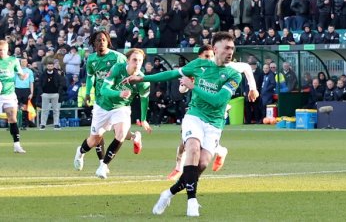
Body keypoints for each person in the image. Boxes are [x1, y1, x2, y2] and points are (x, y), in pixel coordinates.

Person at [127, 32, 243, 218]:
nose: (230, 51)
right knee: (193, 149)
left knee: (202, 164)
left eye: (232, 48)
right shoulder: (199, 64)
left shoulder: (234, 75)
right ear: (215, 49)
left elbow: (218, 101)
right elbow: (172, 73)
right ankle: (192, 201)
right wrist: (143, 78)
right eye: (227, 48)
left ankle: (168, 193)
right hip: (195, 115)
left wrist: (192, 86)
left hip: (214, 123)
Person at [165, 46, 259, 179]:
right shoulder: (197, 68)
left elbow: (246, 68)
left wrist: (252, 88)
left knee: (202, 145)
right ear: (200, 58)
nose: (210, 59)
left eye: (211, 56)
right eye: (206, 57)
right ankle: (179, 168)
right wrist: (188, 84)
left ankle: (213, 155)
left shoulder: (227, 66)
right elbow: (182, 90)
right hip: (198, 111)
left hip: (217, 110)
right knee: (186, 142)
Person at [75, 48, 152, 178]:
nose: (137, 63)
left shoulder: (142, 80)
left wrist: (143, 119)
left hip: (121, 108)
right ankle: (80, 152)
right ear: (128, 60)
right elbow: (104, 90)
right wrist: (119, 93)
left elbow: (145, 99)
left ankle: (103, 167)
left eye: (140, 60)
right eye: (134, 60)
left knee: (120, 134)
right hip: (103, 106)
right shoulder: (117, 68)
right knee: (94, 140)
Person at [84, 32, 127, 160]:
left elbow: (129, 70)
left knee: (121, 132)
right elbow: (90, 77)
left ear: (108, 41)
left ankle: (104, 164)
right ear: (94, 43)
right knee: (97, 135)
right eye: (98, 40)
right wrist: (87, 93)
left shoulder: (118, 57)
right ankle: (102, 161)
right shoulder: (91, 59)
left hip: (117, 100)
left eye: (104, 40)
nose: (101, 42)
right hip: (100, 101)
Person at [0, 39, 30, 153]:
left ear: (7, 49)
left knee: (12, 118)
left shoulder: (13, 61)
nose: (0, 52)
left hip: (9, 94)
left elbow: (20, 75)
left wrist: (24, 76)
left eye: (2, 50)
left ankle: (17, 145)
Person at [39, 58, 65, 129]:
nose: (50, 67)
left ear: (53, 66)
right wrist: (41, 93)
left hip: (55, 94)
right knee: (44, 110)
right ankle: (43, 124)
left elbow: (61, 84)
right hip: (45, 94)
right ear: (46, 66)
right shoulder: (43, 75)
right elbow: (39, 84)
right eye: (48, 66)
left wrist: (58, 93)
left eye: (51, 66)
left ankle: (56, 124)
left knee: (56, 110)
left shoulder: (57, 75)